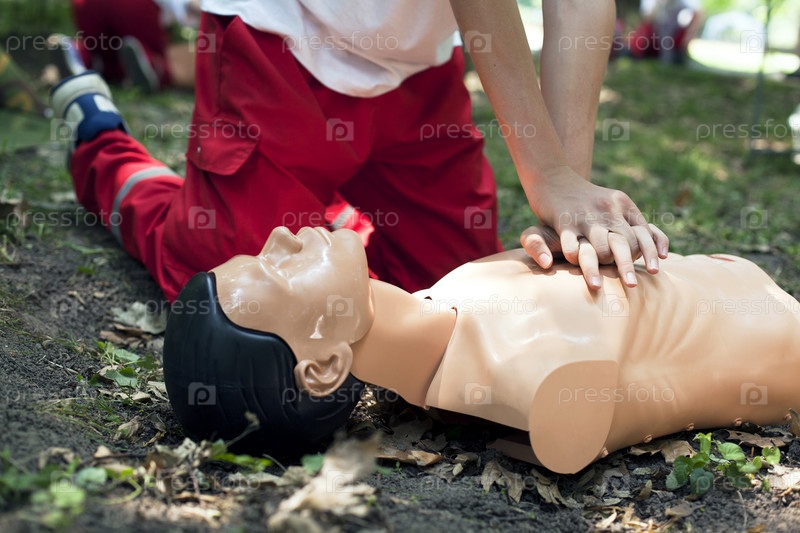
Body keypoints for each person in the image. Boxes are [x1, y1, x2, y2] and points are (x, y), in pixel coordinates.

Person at [50, 0, 669, 305]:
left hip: (417, 72)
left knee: (459, 295)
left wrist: (569, 208)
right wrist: (547, 173)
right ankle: (104, 148)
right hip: (282, 38)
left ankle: (323, 219)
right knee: (249, 293)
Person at [163, 226, 800, 473]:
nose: (280, 236)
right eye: (277, 271)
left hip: (737, 284)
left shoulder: (447, 299)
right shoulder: (527, 375)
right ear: (326, 367)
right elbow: (602, 413)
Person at [49, 0, 199, 91]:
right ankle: (153, 66)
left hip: (86, 5)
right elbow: (192, 5)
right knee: (148, 52)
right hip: (134, 7)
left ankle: (78, 56)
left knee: (100, 51)